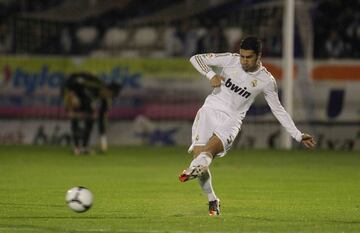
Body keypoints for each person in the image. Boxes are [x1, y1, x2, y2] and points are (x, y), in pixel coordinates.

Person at [178, 36, 316, 216]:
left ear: (259, 56)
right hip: (208, 112)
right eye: (242, 56)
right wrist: (211, 74)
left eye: (248, 57)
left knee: (207, 154)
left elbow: (278, 110)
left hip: (232, 120)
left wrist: (297, 135)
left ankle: (196, 167)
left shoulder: (266, 80)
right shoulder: (230, 59)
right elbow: (195, 58)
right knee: (200, 160)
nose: (243, 61)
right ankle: (212, 200)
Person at [62, 72, 122, 155]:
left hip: (85, 98)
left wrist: (103, 141)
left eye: (111, 97)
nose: (108, 97)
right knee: (75, 112)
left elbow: (102, 118)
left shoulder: (106, 100)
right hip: (73, 88)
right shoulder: (95, 84)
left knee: (91, 116)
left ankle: (85, 146)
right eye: (109, 94)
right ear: (107, 89)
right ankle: (76, 147)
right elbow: (73, 83)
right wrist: (69, 103)